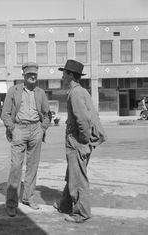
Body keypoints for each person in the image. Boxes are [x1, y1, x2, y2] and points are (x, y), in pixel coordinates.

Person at [53, 59, 107, 223]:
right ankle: (65, 205)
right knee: (72, 174)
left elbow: (83, 120)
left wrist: (82, 141)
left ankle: (81, 213)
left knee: (78, 179)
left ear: (70, 75)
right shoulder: (80, 91)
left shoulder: (75, 93)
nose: (62, 76)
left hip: (77, 141)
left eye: (64, 73)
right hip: (77, 140)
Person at [1, 62, 50, 217]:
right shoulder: (13, 91)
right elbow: (5, 113)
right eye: (29, 73)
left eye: (35, 73)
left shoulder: (41, 93)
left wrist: (42, 129)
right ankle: (11, 203)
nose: (33, 76)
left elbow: (47, 114)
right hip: (19, 129)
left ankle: (28, 198)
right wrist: (12, 128)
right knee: (16, 167)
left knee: (32, 167)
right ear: (23, 75)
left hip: (36, 129)